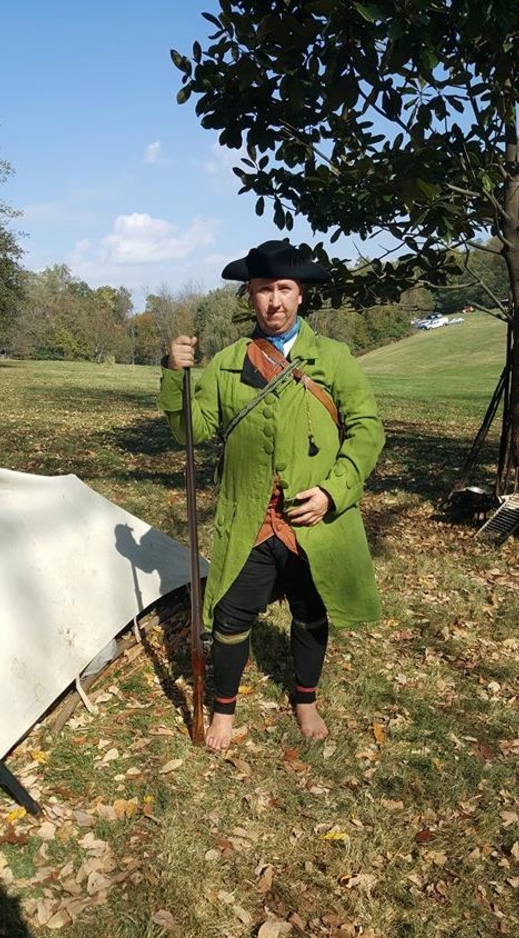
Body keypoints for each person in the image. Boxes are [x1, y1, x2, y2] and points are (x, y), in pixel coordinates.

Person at [158, 240, 384, 752]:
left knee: (311, 612)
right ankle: (223, 711)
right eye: (264, 290)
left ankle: (305, 699)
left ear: (300, 294)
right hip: (250, 518)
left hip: (315, 519)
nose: (274, 301)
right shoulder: (229, 362)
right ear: (250, 295)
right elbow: (189, 430)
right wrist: (175, 375)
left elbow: (368, 429)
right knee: (232, 617)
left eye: (284, 289)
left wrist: (334, 491)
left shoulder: (334, 358)